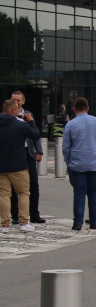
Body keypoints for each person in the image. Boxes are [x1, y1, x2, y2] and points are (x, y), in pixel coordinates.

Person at [62, 97, 96, 231]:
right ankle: (94, 221)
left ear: (74, 109)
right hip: (95, 162)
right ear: (88, 108)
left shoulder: (70, 125)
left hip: (77, 163)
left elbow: (66, 147)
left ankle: (78, 222)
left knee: (79, 193)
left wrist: (68, 160)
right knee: (94, 192)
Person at [0, 98, 41, 233]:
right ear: (13, 110)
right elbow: (35, 134)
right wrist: (31, 121)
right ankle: (23, 222)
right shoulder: (20, 125)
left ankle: (4, 224)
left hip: (1, 166)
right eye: (17, 109)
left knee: (3, 195)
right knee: (23, 193)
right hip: (18, 165)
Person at [9, 91, 45, 224]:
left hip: (27, 152)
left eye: (18, 100)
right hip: (13, 153)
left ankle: (34, 214)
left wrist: (39, 151)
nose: (16, 102)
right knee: (13, 186)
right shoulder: (7, 116)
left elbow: (35, 133)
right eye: (13, 100)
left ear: (23, 101)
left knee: (33, 184)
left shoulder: (28, 115)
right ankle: (15, 215)